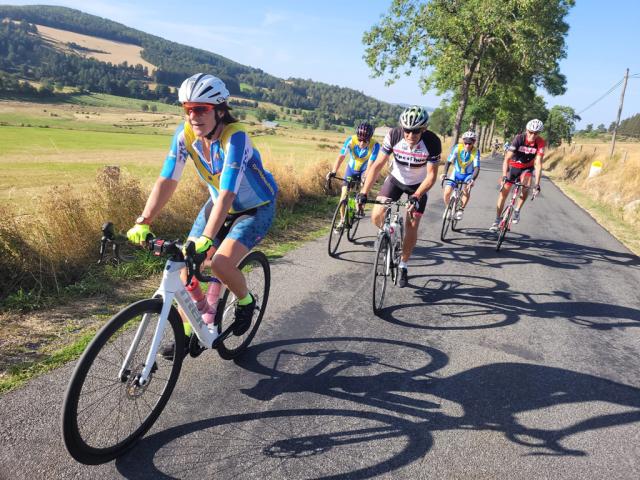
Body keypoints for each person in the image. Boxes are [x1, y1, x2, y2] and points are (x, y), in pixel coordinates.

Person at [126, 73, 278, 346]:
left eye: (200, 109)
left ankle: (245, 300)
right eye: (187, 109)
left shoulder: (236, 138)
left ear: (220, 111)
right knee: (184, 263)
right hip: (218, 203)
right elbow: (168, 179)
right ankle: (191, 327)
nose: (193, 116)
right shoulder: (185, 136)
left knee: (219, 263)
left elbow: (229, 192)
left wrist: (207, 238)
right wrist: (143, 221)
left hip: (255, 208)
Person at [357, 106, 441, 287]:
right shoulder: (393, 135)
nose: (410, 135)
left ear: (424, 129)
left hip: (418, 187)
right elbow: (377, 165)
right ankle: (387, 235)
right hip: (395, 180)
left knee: (412, 224)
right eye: (407, 130)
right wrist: (364, 192)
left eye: (416, 131)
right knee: (376, 216)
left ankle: (403, 265)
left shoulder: (432, 142)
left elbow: (432, 176)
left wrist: (417, 196)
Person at [490, 119, 544, 232]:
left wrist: (537, 184)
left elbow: (538, 163)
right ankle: (497, 219)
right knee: (503, 193)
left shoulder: (540, 142)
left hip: (526, 168)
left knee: (527, 184)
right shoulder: (519, 138)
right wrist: (504, 175)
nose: (533, 135)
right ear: (526, 130)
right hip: (513, 167)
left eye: (536, 133)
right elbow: (507, 159)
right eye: (530, 132)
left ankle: (517, 210)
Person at [326, 122, 380, 228]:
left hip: (365, 170)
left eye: (365, 141)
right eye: (360, 140)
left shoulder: (375, 145)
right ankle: (342, 220)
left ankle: (360, 207)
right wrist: (333, 171)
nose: (361, 143)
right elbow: (341, 156)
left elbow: (371, 163)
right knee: (343, 196)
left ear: (370, 138)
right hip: (351, 169)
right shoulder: (350, 140)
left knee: (362, 191)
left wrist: (366, 177)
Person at [441, 130, 480, 221]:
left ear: (473, 143)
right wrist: (444, 173)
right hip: (456, 172)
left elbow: (477, 168)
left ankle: (460, 210)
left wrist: (472, 179)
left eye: (470, 143)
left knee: (466, 191)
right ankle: (448, 209)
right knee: (447, 192)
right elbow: (448, 161)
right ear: (463, 141)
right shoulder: (457, 147)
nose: (467, 145)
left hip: (468, 175)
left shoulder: (475, 151)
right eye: (465, 142)